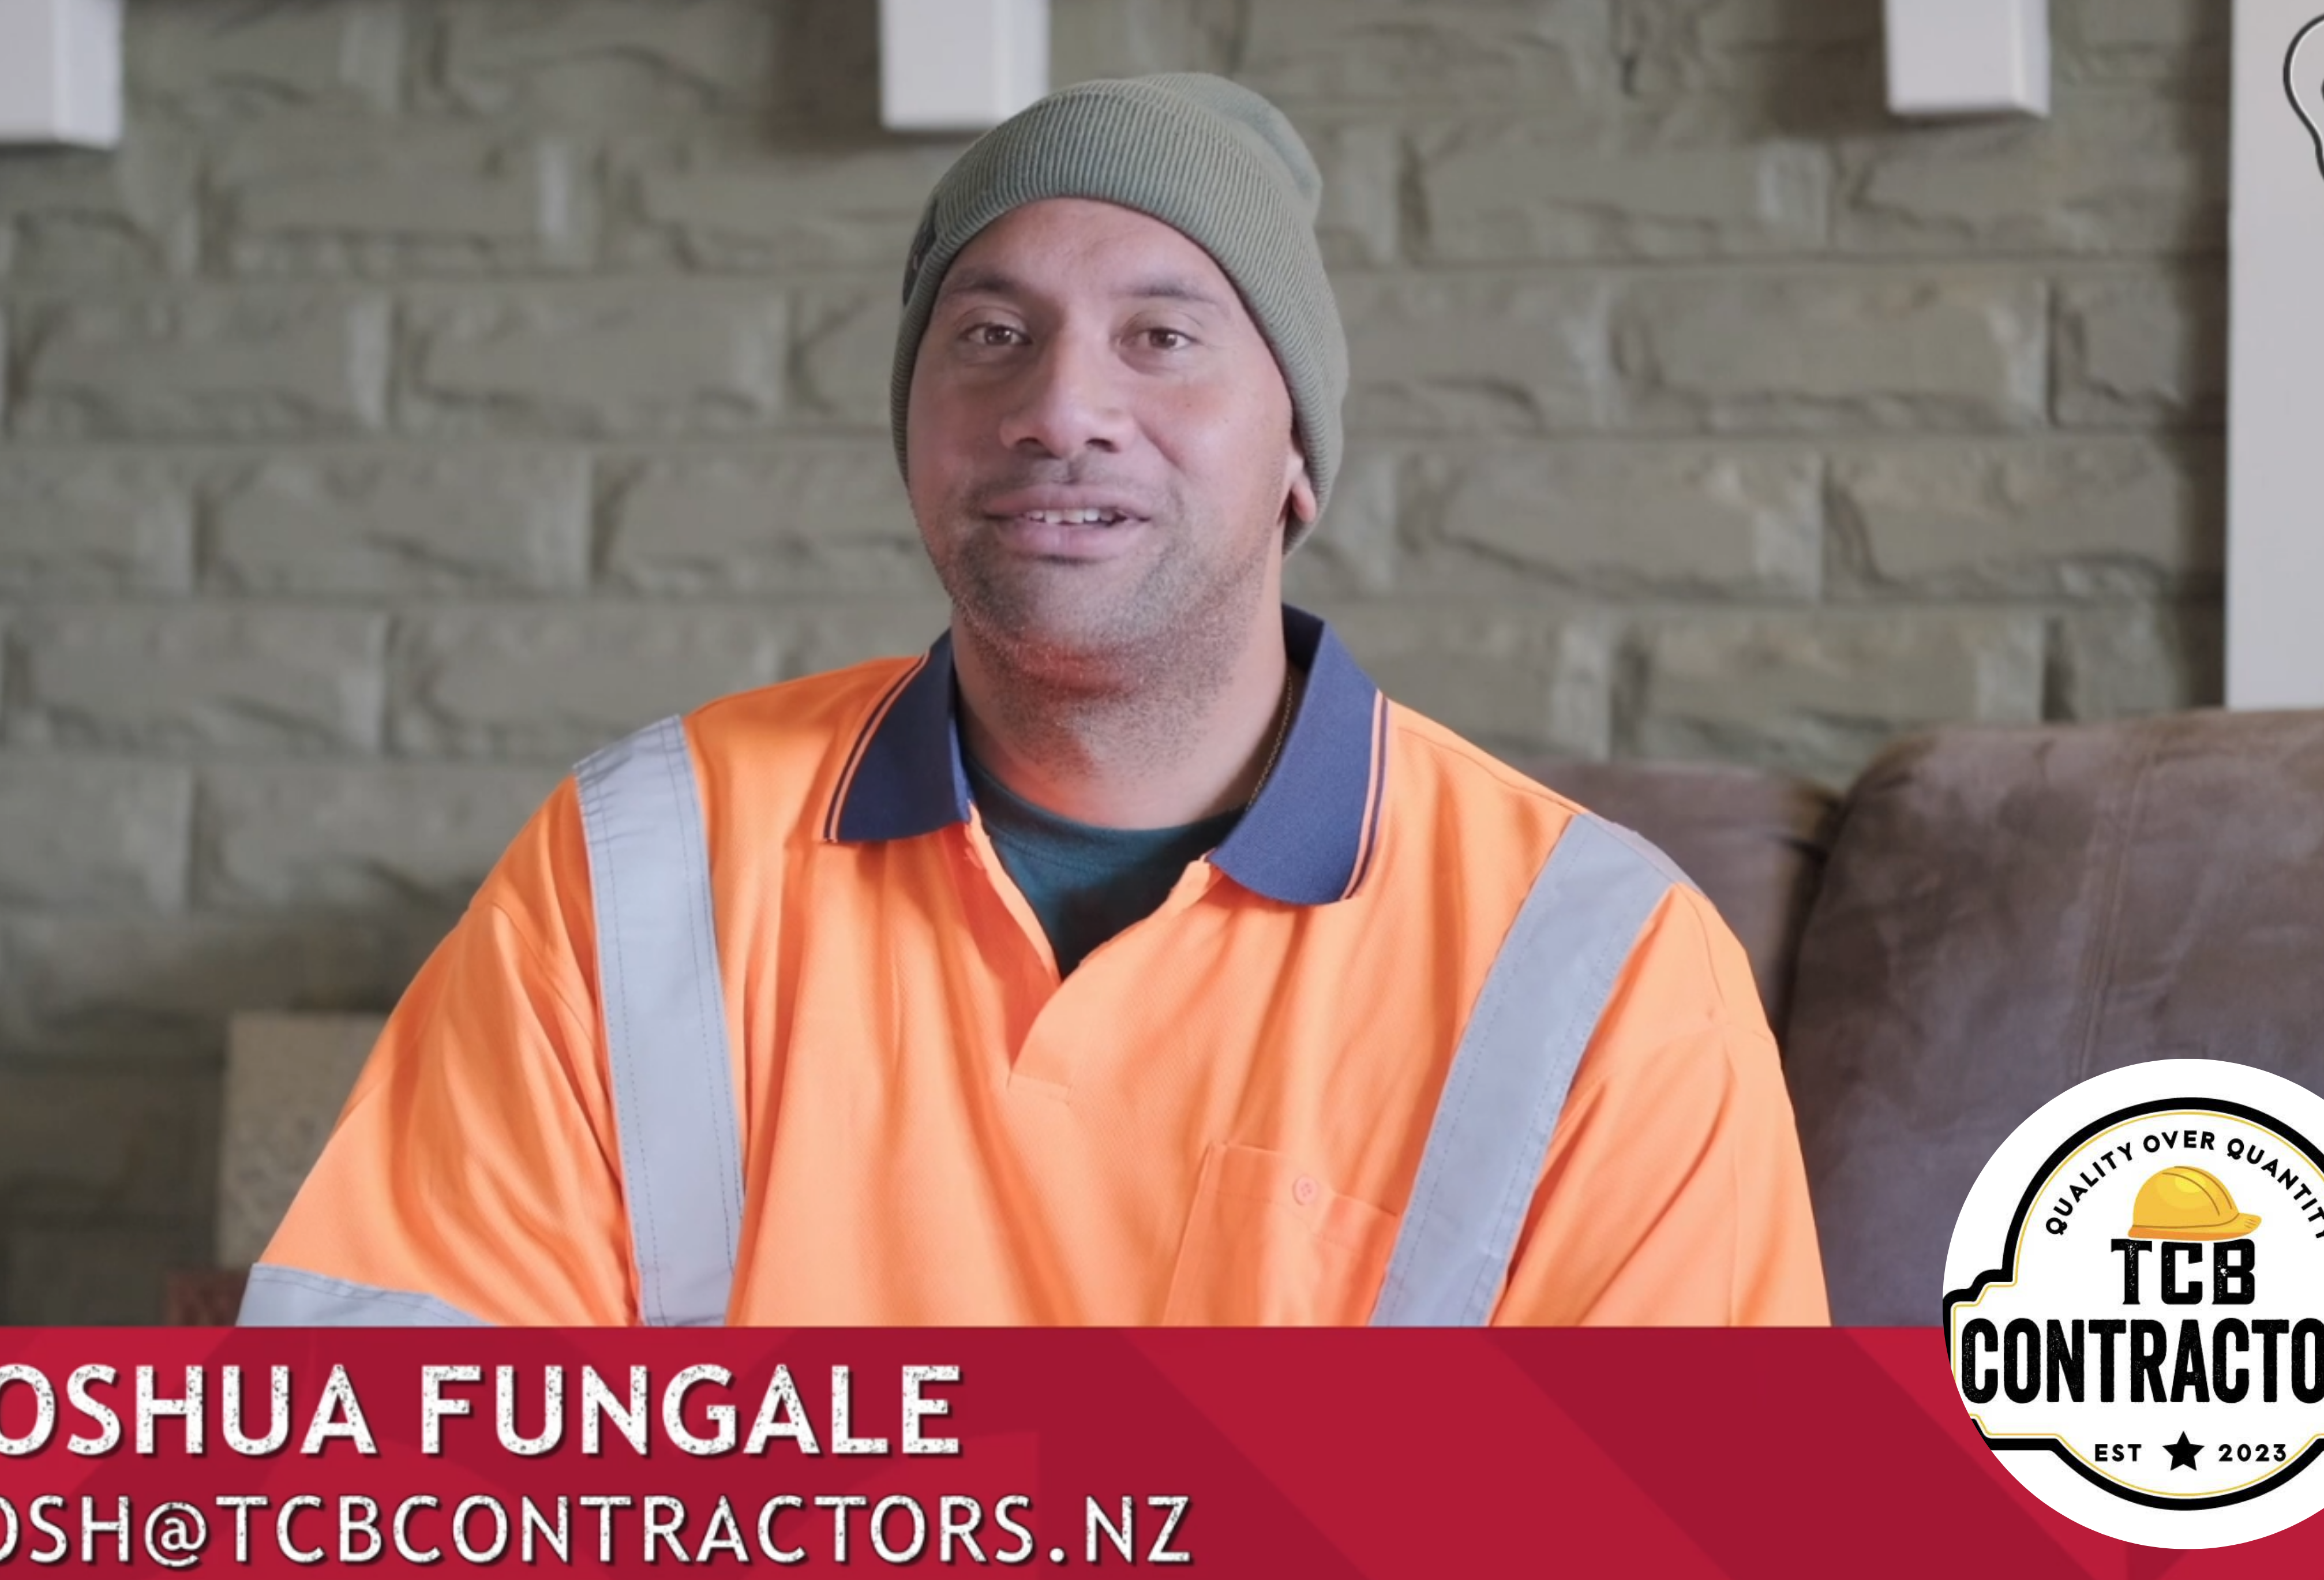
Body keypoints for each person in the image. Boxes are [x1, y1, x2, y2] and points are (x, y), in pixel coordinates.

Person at [241, 74, 1827, 1328]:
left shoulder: (1606, 972)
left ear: (1298, 455)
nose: (1062, 407)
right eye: (991, 335)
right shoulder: (638, 865)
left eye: (1163, 337)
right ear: (914, 428)